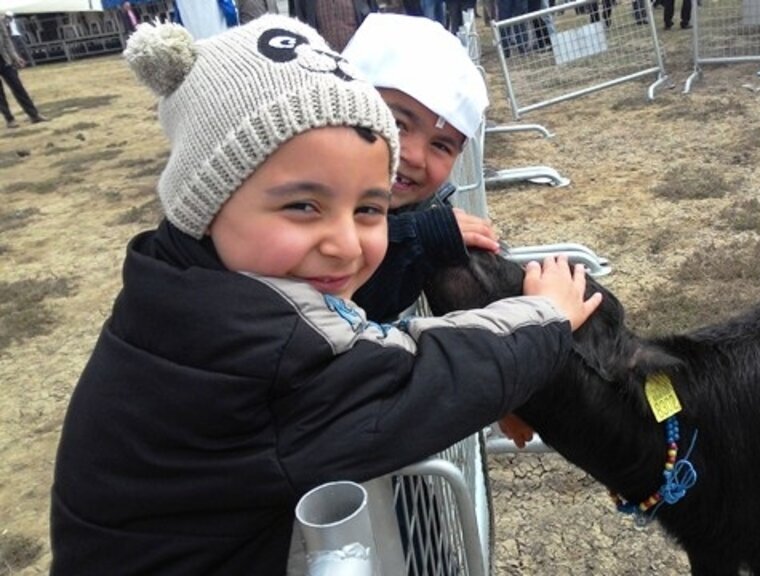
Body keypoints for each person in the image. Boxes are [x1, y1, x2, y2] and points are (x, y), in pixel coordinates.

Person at [49, 15, 600, 576]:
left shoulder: (178, 285)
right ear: (205, 200)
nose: (343, 246)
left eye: (369, 208)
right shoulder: (260, 346)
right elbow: (422, 380)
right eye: (303, 206)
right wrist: (547, 315)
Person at [342, 13, 500, 322]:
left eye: (441, 145)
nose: (414, 156)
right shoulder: (290, 189)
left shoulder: (430, 205)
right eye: (397, 123)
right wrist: (416, 238)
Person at [0, 14, 46, 129]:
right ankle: (9, 119)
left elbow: (6, 40)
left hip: (4, 58)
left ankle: (33, 114)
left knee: (17, 86)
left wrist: (15, 57)